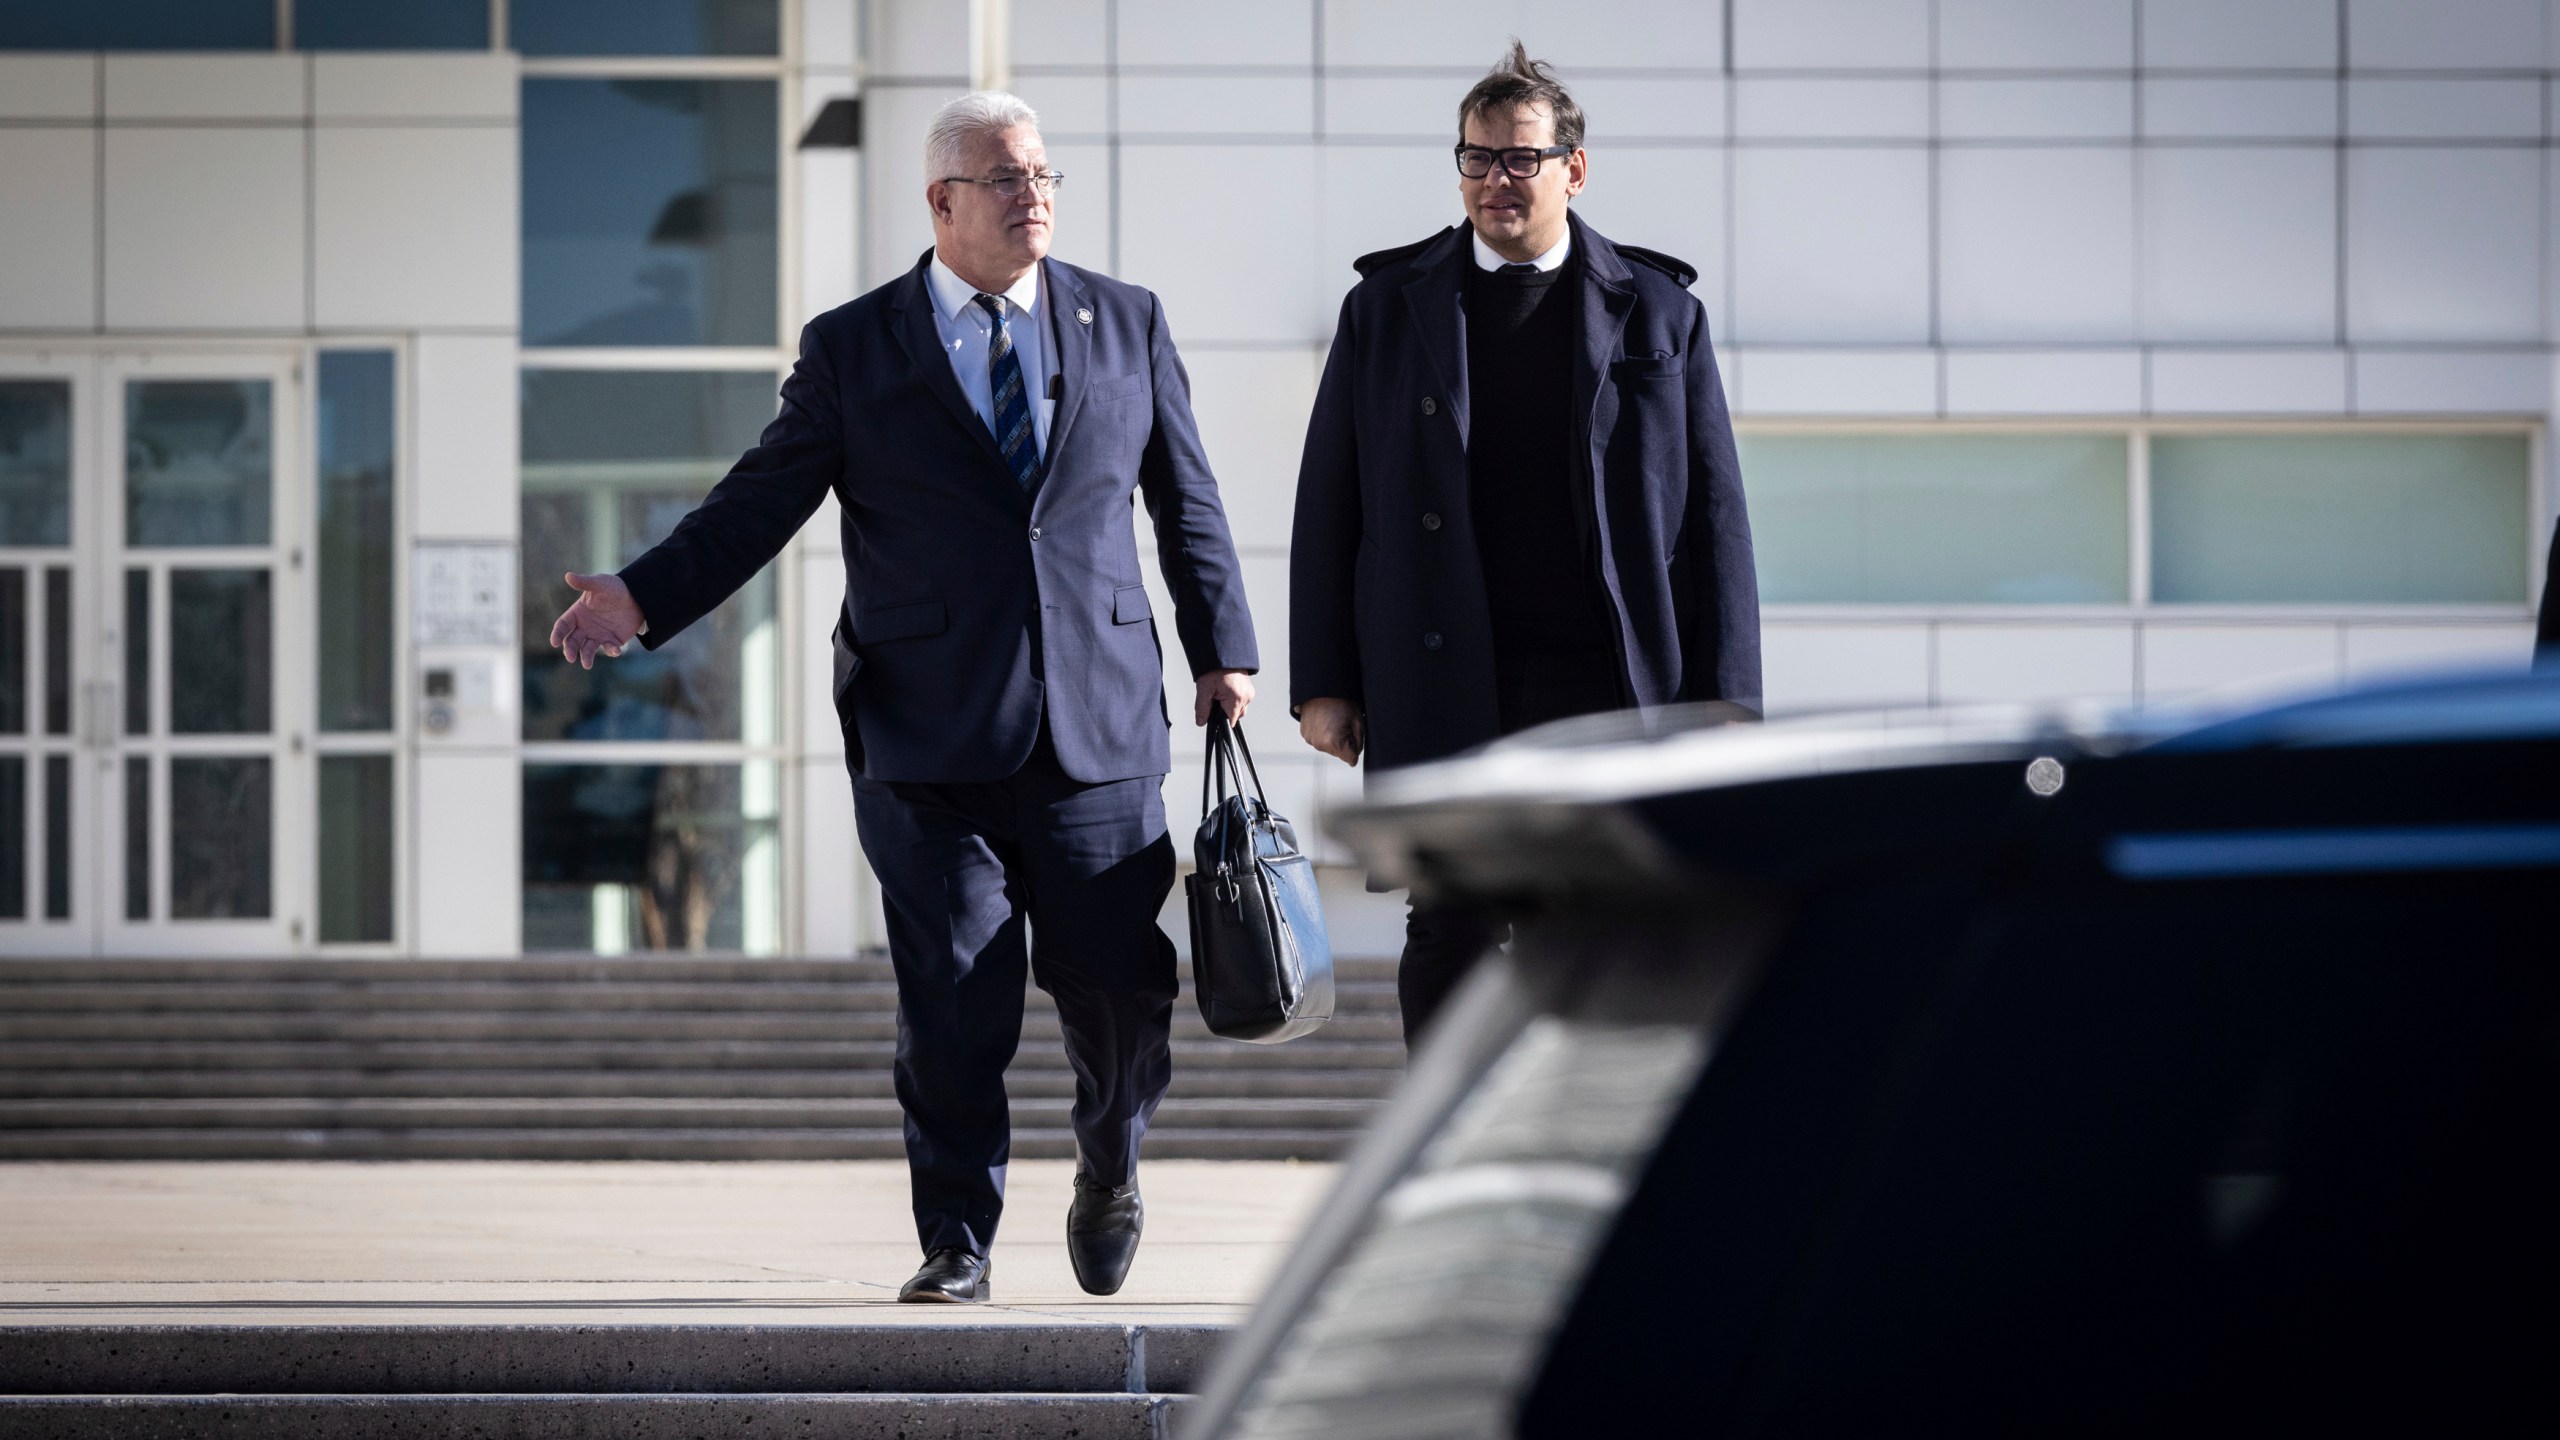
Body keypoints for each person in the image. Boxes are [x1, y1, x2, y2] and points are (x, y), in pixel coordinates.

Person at [546, 92, 1258, 1303]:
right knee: (954, 997)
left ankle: (1109, 1163)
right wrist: (641, 596)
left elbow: (1184, 497)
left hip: (1099, 719)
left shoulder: (1124, 321)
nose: (1034, 195)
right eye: (1005, 179)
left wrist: (1221, 647)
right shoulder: (856, 347)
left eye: (1043, 175)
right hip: (926, 731)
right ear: (942, 202)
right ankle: (957, 1241)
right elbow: (757, 503)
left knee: (1122, 990)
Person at [1289, 42, 1760, 1043]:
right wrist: (1323, 679)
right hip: (1444, 667)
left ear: (1572, 169)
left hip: (1604, 676)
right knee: (1448, 922)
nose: (1494, 181)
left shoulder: (1658, 311)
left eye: (1518, 160)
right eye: (1475, 159)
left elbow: (1713, 516)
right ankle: (1443, 1140)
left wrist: (1726, 698)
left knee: (1600, 917)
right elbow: (1331, 501)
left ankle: (1571, 1144)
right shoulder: (1386, 308)